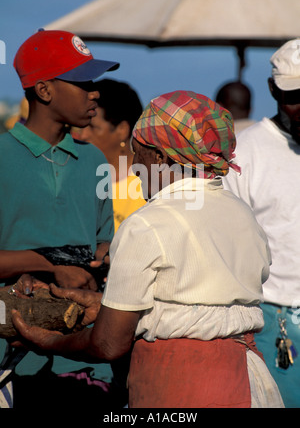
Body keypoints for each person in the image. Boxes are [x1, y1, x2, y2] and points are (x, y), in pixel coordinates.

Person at [12, 90, 284, 408]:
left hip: (180, 383)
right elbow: (203, 305)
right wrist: (105, 304)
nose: (134, 168)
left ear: (158, 157)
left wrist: (51, 341)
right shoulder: (242, 213)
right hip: (247, 380)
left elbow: (109, 344)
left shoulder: (148, 223)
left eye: (137, 154)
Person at [0, 28, 120, 409]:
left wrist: (104, 259)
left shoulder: (94, 161)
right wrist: (51, 264)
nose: (95, 91)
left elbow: (103, 242)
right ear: (45, 90)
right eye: (82, 81)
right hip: (10, 360)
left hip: (82, 358)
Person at [222, 39, 300, 408]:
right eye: (295, 96)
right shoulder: (245, 153)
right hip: (271, 323)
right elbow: (226, 247)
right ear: (272, 89)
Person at [79, 79, 145, 231]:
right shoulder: (76, 175)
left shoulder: (148, 187)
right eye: (81, 126)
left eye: (92, 127)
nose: (83, 135)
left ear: (122, 130)